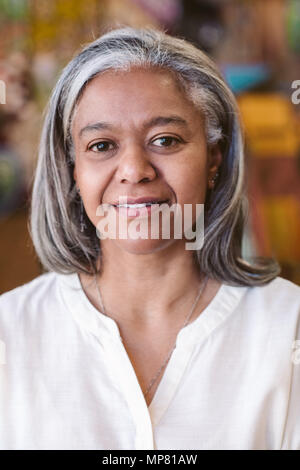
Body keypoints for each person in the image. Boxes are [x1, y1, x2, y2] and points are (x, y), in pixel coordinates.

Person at [0, 26, 299, 451]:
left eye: (165, 140)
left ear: (214, 157)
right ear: (72, 170)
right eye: (102, 145)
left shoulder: (288, 328)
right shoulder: (10, 332)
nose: (135, 169)